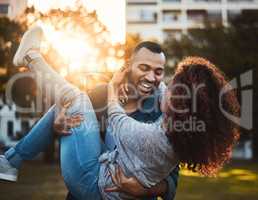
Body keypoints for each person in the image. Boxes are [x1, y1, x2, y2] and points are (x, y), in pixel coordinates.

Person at [0, 26, 179, 200]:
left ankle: (31, 57)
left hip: (112, 191)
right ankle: (10, 162)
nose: (151, 77)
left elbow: (172, 180)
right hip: (92, 180)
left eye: (158, 72)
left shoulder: (162, 111)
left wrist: (143, 190)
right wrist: (58, 117)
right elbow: (70, 102)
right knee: (74, 99)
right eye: (144, 68)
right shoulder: (102, 94)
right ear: (128, 66)